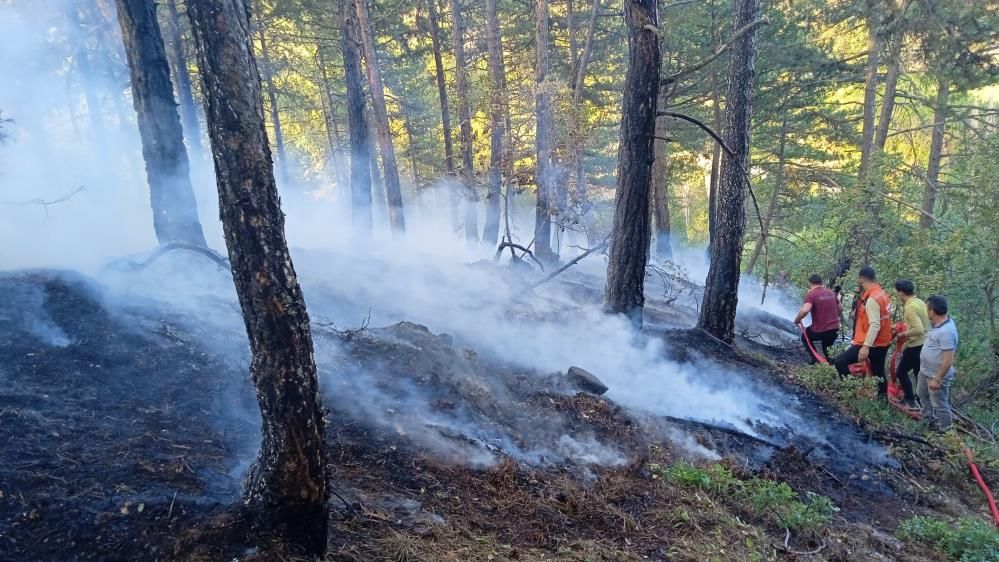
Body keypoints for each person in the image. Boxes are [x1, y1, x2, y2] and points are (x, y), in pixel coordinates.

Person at [833, 266, 892, 398]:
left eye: (858, 279)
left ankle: (851, 393)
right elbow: (886, 316)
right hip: (882, 342)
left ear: (862, 278)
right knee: (879, 373)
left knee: (840, 362)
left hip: (871, 342)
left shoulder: (872, 299)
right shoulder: (882, 294)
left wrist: (865, 347)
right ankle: (883, 401)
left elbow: (875, 325)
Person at [918, 295, 958, 432]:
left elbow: (948, 360)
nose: (926, 311)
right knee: (921, 394)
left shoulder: (947, 332)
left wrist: (937, 379)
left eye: (927, 309)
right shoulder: (938, 324)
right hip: (925, 371)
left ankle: (945, 431)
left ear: (932, 311)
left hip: (936, 375)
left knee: (940, 404)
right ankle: (927, 420)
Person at [892, 280, 930, 409]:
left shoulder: (909, 307)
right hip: (925, 343)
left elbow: (918, 329)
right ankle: (920, 402)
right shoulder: (919, 302)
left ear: (902, 292)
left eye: (897, 292)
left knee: (901, 372)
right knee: (918, 374)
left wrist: (903, 335)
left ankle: (911, 400)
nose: (897, 295)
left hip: (916, 345)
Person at [794, 274, 840, 363]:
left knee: (805, 336)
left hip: (820, 330)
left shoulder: (812, 295)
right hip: (835, 329)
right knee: (827, 349)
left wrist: (797, 320)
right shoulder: (831, 293)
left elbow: (805, 310)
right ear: (822, 282)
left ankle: (815, 360)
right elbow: (840, 308)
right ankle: (831, 364)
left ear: (809, 283)